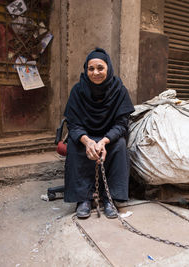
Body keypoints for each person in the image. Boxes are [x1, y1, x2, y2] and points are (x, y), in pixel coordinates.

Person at [63, 47, 135, 219]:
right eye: (91, 68)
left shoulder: (119, 90)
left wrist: (104, 141)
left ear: (108, 68)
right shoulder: (77, 91)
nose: (95, 72)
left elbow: (121, 124)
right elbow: (73, 124)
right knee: (75, 144)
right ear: (86, 70)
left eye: (100, 68)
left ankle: (110, 198)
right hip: (85, 136)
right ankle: (83, 199)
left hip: (109, 137)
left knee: (119, 145)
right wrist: (87, 142)